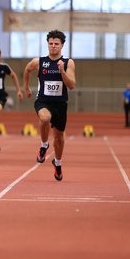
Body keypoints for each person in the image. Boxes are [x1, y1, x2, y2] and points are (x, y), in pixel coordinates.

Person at [23, 29, 76, 181]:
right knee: (44, 118)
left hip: (60, 104)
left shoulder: (68, 63)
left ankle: (57, 163)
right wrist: (26, 87)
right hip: (43, 101)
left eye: (56, 44)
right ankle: (44, 145)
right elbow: (27, 70)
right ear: (48, 44)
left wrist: (62, 72)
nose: (53, 46)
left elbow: (71, 85)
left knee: (59, 138)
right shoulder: (38, 62)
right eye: (51, 43)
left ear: (62, 45)